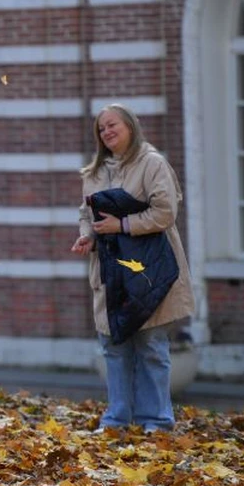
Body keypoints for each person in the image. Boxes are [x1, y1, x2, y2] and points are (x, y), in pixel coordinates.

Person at [71, 104, 194, 433]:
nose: (106, 132)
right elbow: (87, 216)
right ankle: (117, 420)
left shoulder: (152, 163)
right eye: (101, 128)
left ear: (130, 126)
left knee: (152, 346)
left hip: (147, 272)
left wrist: (123, 224)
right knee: (114, 346)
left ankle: (156, 422)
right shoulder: (93, 172)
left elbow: (165, 212)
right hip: (110, 274)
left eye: (112, 125)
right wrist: (88, 237)